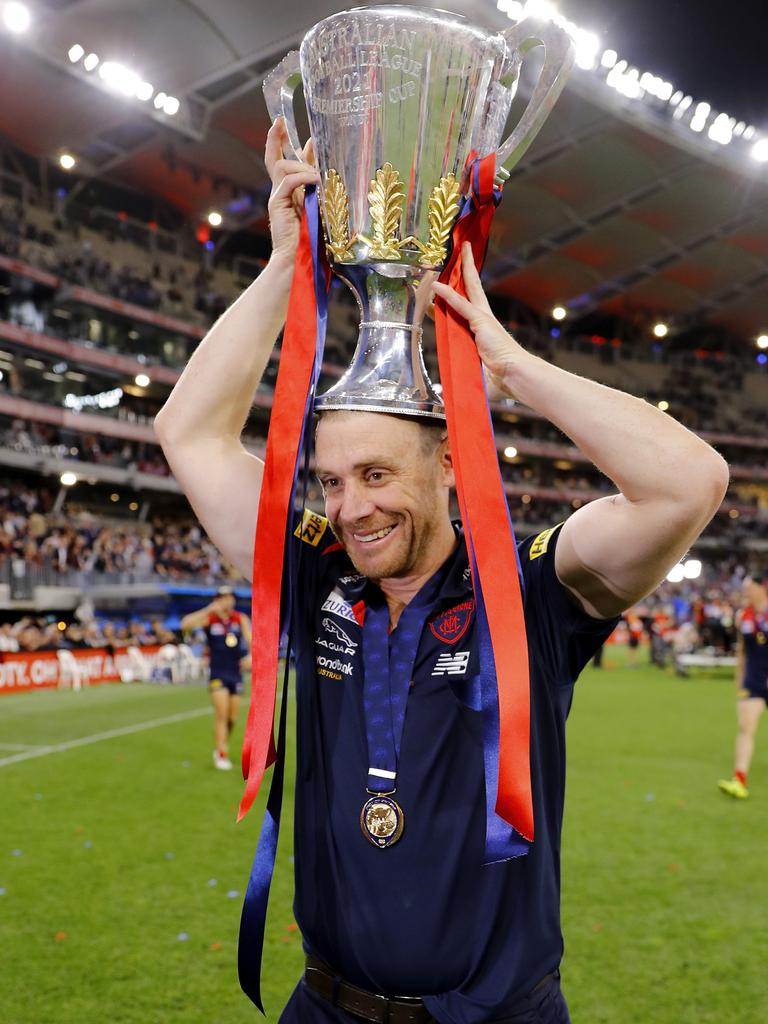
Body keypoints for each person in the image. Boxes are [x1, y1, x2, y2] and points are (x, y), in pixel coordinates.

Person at [155, 118, 729, 1023]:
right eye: (332, 482)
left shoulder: (529, 589)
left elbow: (689, 482)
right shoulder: (317, 578)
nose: (351, 509)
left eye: (378, 476)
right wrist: (282, 269)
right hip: (327, 1009)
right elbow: (187, 434)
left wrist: (506, 362)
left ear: (451, 465)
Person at [181, 586, 251, 770]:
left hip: (235, 673)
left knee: (232, 718)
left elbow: (252, 641)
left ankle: (222, 744)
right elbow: (185, 624)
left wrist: (251, 657)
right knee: (221, 713)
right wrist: (209, 609)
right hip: (217, 673)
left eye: (229, 597)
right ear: (217, 599)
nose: (227, 600)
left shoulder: (240, 618)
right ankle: (221, 753)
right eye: (223, 597)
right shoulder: (210, 618)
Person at [718, 574, 768, 799]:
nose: (745, 591)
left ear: (761, 587)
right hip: (753, 682)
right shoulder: (743, 616)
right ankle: (739, 779)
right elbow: (742, 652)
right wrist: (739, 682)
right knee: (745, 726)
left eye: (749, 587)